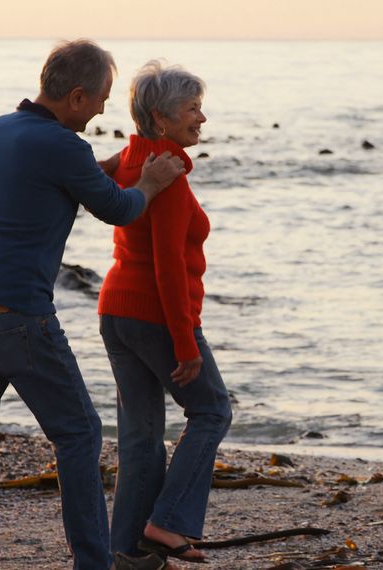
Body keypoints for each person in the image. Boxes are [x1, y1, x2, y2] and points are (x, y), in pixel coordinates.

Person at [0, 41, 186, 570]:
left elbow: (48, 182)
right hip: (14, 313)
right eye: (99, 100)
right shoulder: (62, 147)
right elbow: (117, 208)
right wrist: (151, 182)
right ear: (76, 96)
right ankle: (95, 563)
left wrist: (115, 165)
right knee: (79, 433)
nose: (100, 111)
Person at [98, 61, 233, 564]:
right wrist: (184, 343)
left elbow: (109, 178)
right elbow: (170, 269)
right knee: (212, 410)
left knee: (140, 435)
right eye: (192, 109)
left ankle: (127, 551)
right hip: (154, 313)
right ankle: (167, 523)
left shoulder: (134, 158)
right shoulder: (168, 175)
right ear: (161, 118)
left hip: (116, 309)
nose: (202, 118)